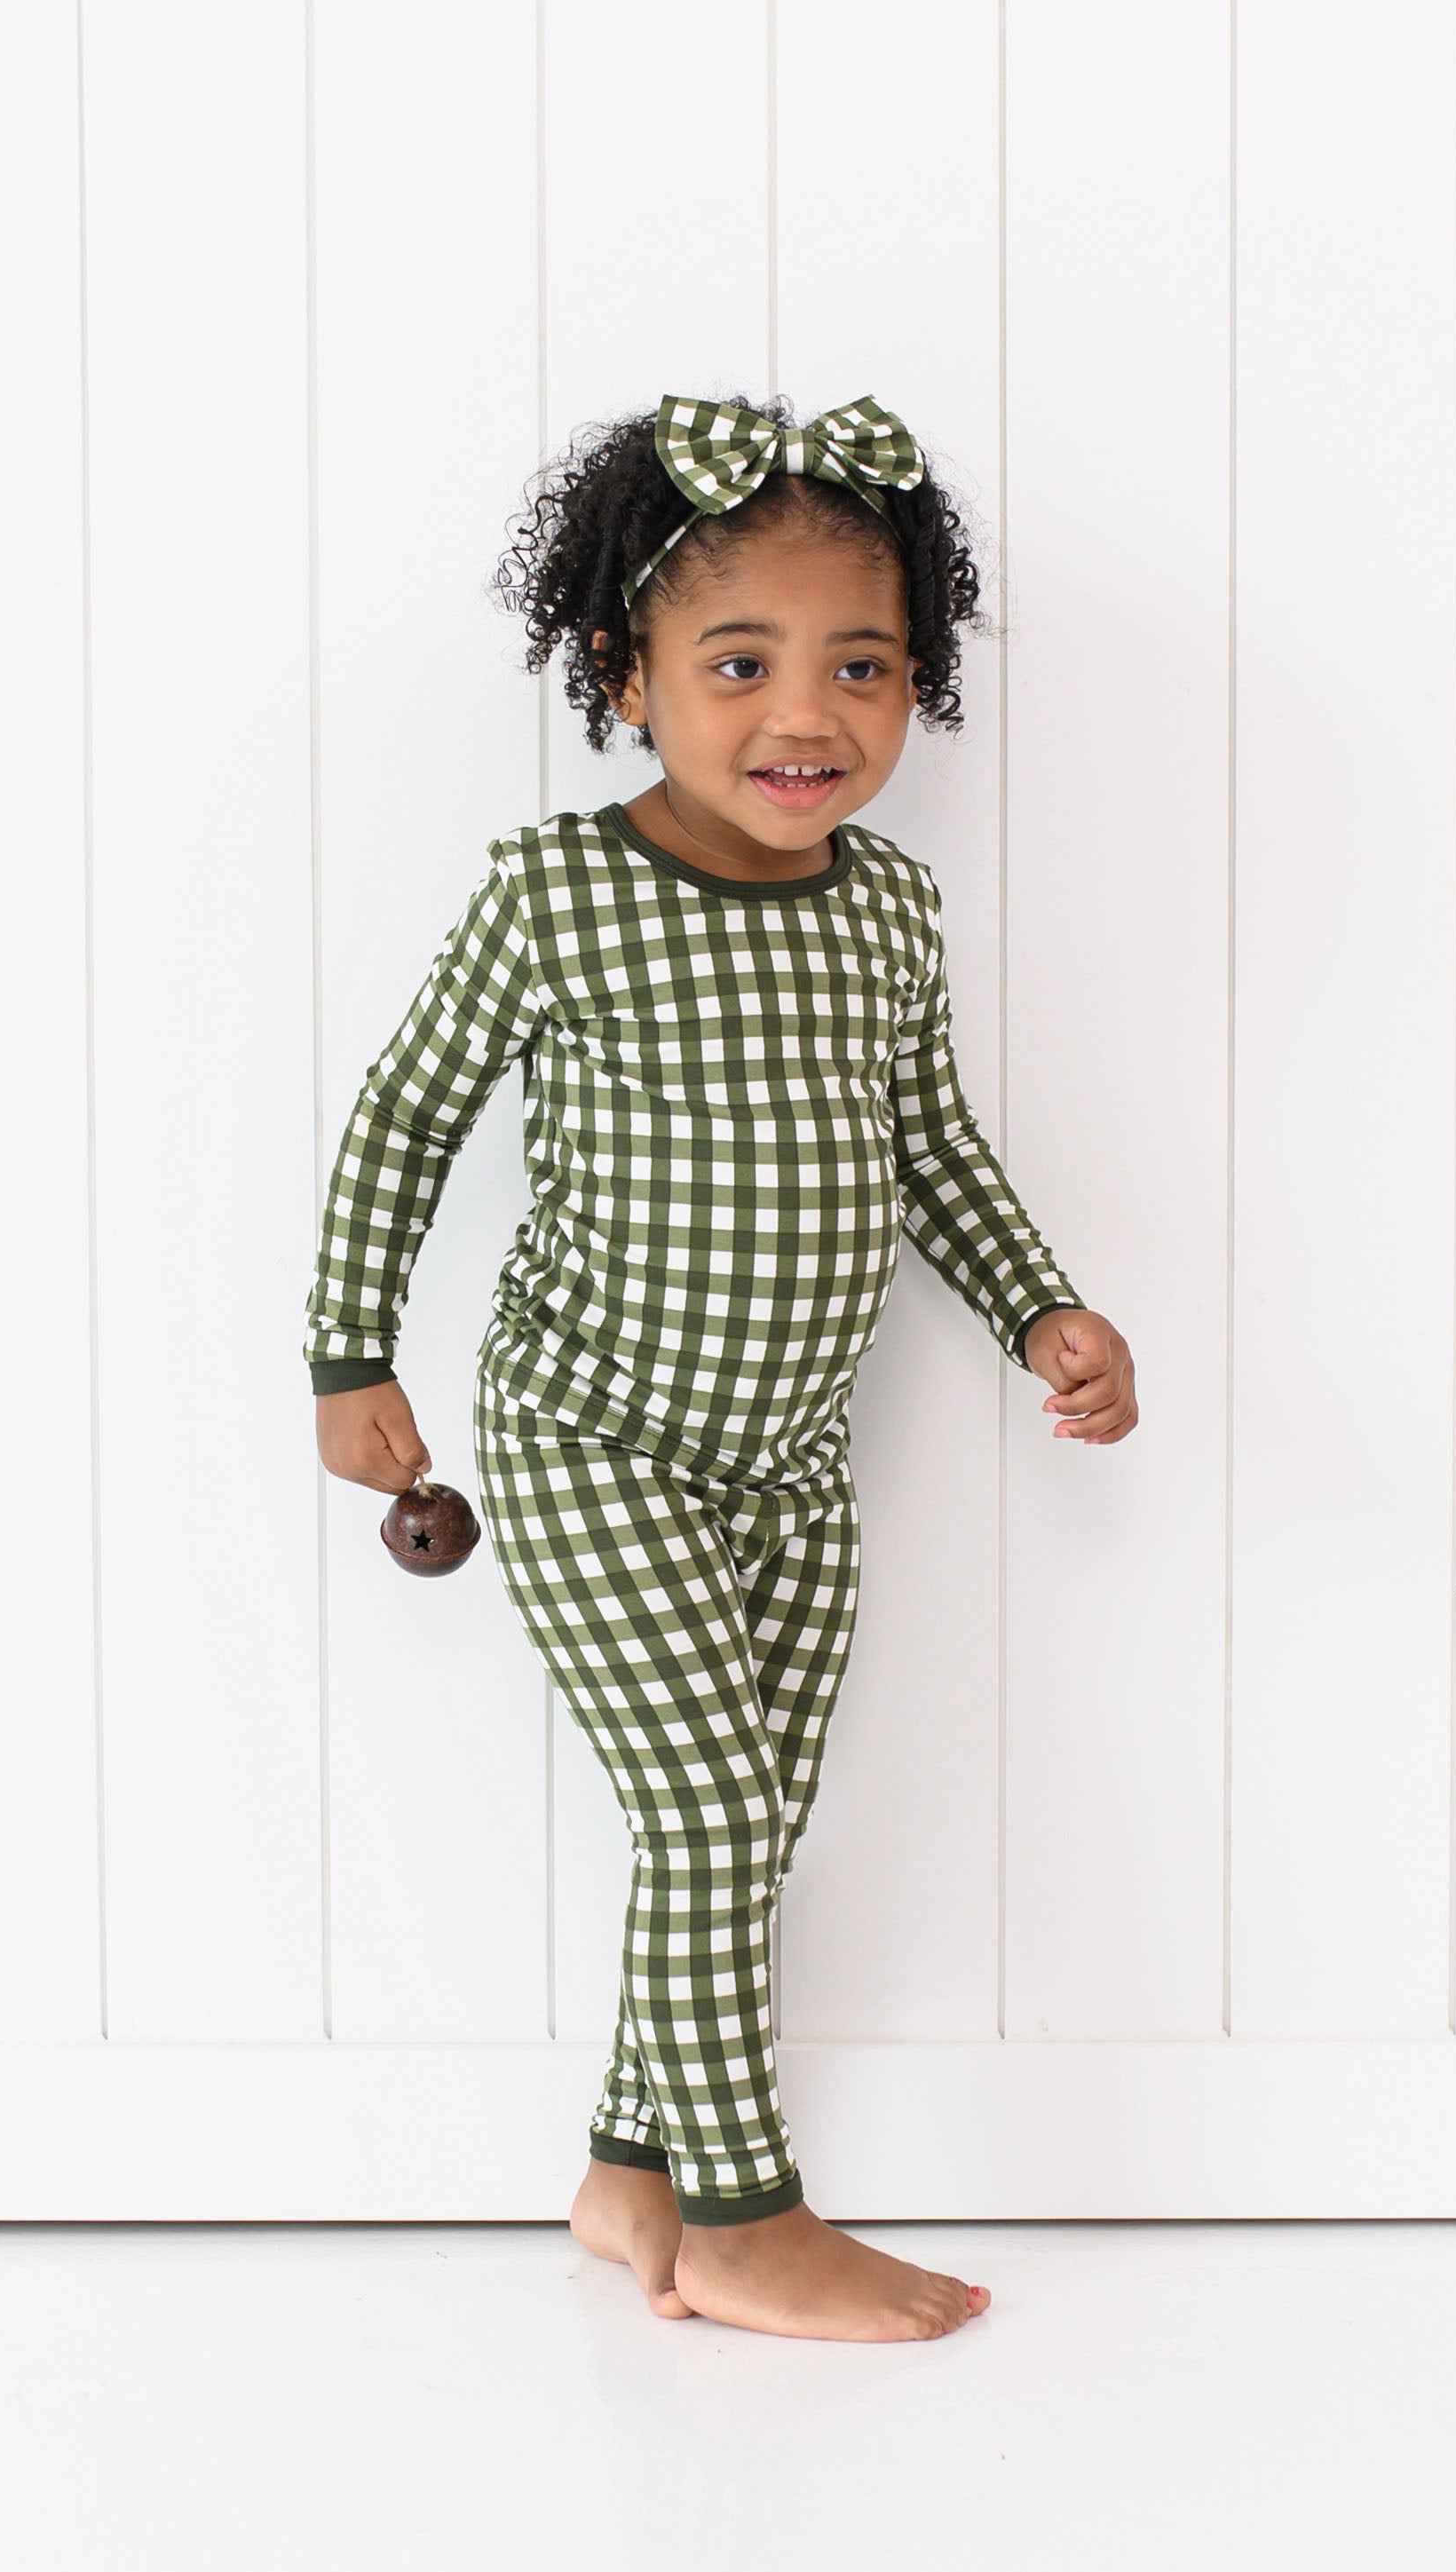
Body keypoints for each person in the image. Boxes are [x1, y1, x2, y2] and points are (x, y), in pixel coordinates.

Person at [305, 393, 1138, 2342]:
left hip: (788, 1461)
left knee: (746, 1815)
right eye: (739, 661)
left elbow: (930, 1148)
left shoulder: (886, 914)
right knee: (701, 1809)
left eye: (861, 664)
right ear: (625, 676)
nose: (807, 712)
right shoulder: (556, 896)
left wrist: (1042, 1311)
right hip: (592, 1427)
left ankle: (628, 2169)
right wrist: (352, 1355)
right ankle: (747, 2219)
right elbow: (405, 1117)